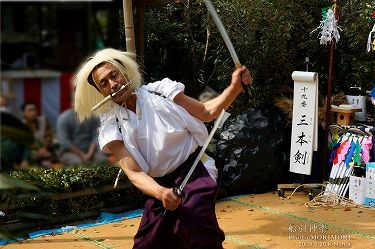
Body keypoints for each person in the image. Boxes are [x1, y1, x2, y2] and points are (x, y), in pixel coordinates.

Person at [73, 48, 252, 249]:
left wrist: (235, 87)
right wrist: (161, 193)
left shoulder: (162, 91)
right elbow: (134, 173)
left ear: (124, 72)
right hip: (157, 186)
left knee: (197, 227)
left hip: (194, 173)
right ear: (101, 92)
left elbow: (206, 112)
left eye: (114, 75)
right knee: (147, 244)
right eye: (103, 83)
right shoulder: (110, 126)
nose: (113, 84)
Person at [57, 101, 106, 166]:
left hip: (92, 150)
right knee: (77, 163)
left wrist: (90, 153)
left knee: (102, 160)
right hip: (69, 152)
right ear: (72, 103)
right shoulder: (64, 118)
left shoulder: (93, 117)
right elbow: (65, 142)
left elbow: (96, 136)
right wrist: (82, 155)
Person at [21, 100, 56, 168]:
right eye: (30, 110)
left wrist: (44, 148)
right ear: (24, 113)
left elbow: (49, 137)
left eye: (34, 110)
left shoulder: (43, 121)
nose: (33, 112)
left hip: (46, 150)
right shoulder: (21, 126)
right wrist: (37, 152)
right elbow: (24, 144)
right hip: (30, 153)